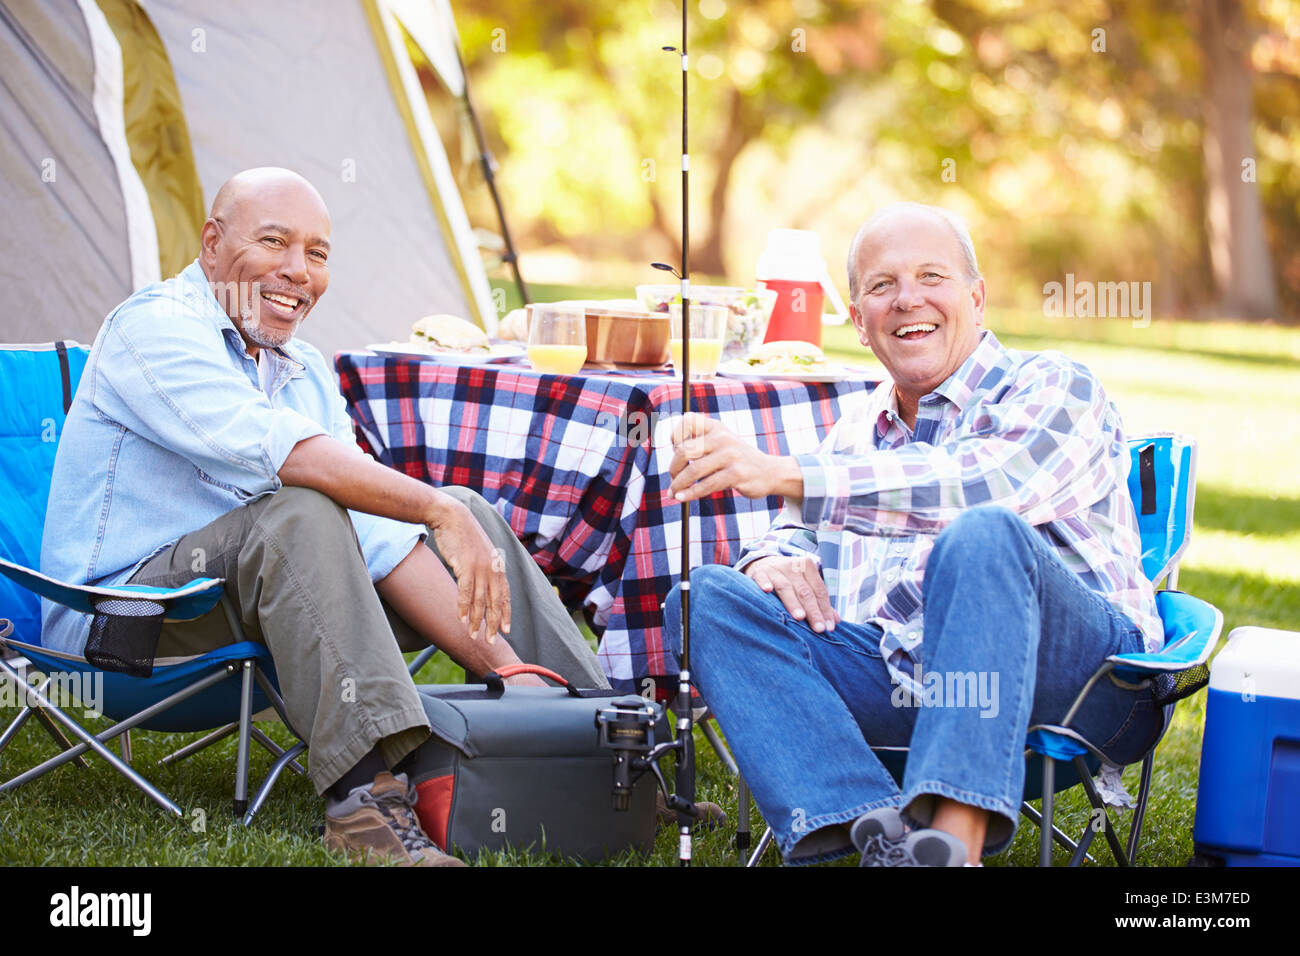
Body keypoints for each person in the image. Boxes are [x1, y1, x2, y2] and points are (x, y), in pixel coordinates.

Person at [40, 167, 609, 867]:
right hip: (122, 629)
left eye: (316, 252)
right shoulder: (153, 329)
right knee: (305, 510)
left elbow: (373, 532)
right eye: (273, 242)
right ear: (211, 244)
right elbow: (287, 458)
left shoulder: (301, 366)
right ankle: (363, 801)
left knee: (462, 511)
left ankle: (601, 743)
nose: (295, 271)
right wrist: (426, 505)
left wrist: (505, 659)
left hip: (258, 603)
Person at [663, 202, 1165, 865]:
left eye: (932, 276)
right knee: (706, 600)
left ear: (977, 299)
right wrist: (768, 566)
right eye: (881, 286)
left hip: (1087, 681)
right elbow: (788, 538)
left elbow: (982, 488)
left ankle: (955, 846)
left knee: (985, 534)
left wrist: (783, 471)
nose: (907, 300)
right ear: (859, 322)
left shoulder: (1056, 385)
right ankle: (883, 834)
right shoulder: (854, 430)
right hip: (902, 678)